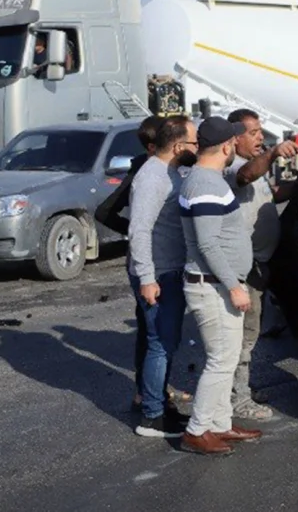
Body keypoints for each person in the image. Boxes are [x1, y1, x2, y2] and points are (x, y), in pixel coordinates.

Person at [179, 116, 263, 456]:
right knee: (220, 361)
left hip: (216, 283)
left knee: (226, 359)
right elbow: (207, 244)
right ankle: (197, 430)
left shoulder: (207, 179)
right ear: (228, 146)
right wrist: (234, 286)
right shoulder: (205, 184)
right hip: (212, 285)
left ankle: (220, 423)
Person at [224, 109, 298, 421]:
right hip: (245, 268)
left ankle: (240, 389)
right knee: (242, 337)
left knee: (250, 334)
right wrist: (272, 153)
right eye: (253, 133)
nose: (260, 138)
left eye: (260, 132)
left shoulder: (254, 165)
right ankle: (237, 399)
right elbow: (246, 176)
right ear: (234, 138)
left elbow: (272, 193)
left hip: (260, 264)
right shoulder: (231, 167)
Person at [127, 115, 195, 438]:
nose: (198, 147)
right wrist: (147, 278)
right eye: (194, 142)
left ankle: (159, 404)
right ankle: (152, 416)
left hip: (169, 270)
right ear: (179, 146)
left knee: (166, 342)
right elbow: (139, 229)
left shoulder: (171, 171)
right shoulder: (152, 176)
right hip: (158, 273)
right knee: (159, 343)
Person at [95, 115, 163, 411]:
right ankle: (146, 394)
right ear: (153, 146)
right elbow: (104, 212)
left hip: (154, 259)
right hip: (147, 262)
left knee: (155, 331)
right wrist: (136, 232)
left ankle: (152, 390)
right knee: (152, 331)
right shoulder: (144, 171)